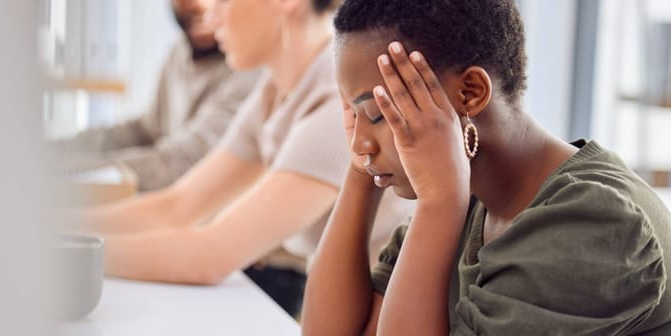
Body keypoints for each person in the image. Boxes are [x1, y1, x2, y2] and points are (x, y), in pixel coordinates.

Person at [302, 0, 671, 335]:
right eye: (354, 114)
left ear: (471, 93)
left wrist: (440, 202)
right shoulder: (470, 201)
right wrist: (361, 172)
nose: (359, 142)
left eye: (377, 113)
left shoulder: (595, 222)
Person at [76, 0, 413, 318]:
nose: (211, 14)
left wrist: (63, 254)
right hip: (348, 304)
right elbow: (178, 204)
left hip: (395, 311)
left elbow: (210, 255)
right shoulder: (275, 89)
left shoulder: (338, 96)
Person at [56, 0, 259, 191]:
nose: (201, 8)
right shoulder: (180, 51)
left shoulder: (249, 71)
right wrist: (61, 150)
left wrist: (76, 170)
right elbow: (148, 128)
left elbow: (183, 162)